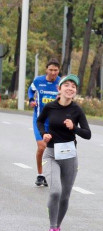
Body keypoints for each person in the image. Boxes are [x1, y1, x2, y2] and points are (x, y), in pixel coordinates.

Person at [36, 74, 91, 231]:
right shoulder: (50, 107)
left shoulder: (77, 110)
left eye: (73, 86)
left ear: (75, 91)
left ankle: (58, 227)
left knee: (65, 196)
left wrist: (74, 128)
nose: (70, 88)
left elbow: (88, 134)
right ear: (59, 89)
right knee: (55, 191)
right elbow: (40, 121)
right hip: (51, 154)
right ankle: (52, 229)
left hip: (69, 156)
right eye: (66, 85)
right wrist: (44, 134)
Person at [29, 58, 61, 187]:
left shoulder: (61, 82)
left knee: (53, 150)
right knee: (42, 147)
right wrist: (31, 100)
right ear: (46, 70)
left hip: (54, 122)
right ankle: (40, 174)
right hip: (40, 120)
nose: (53, 72)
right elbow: (31, 90)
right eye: (51, 70)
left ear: (58, 70)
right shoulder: (38, 81)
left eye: (55, 70)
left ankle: (48, 174)